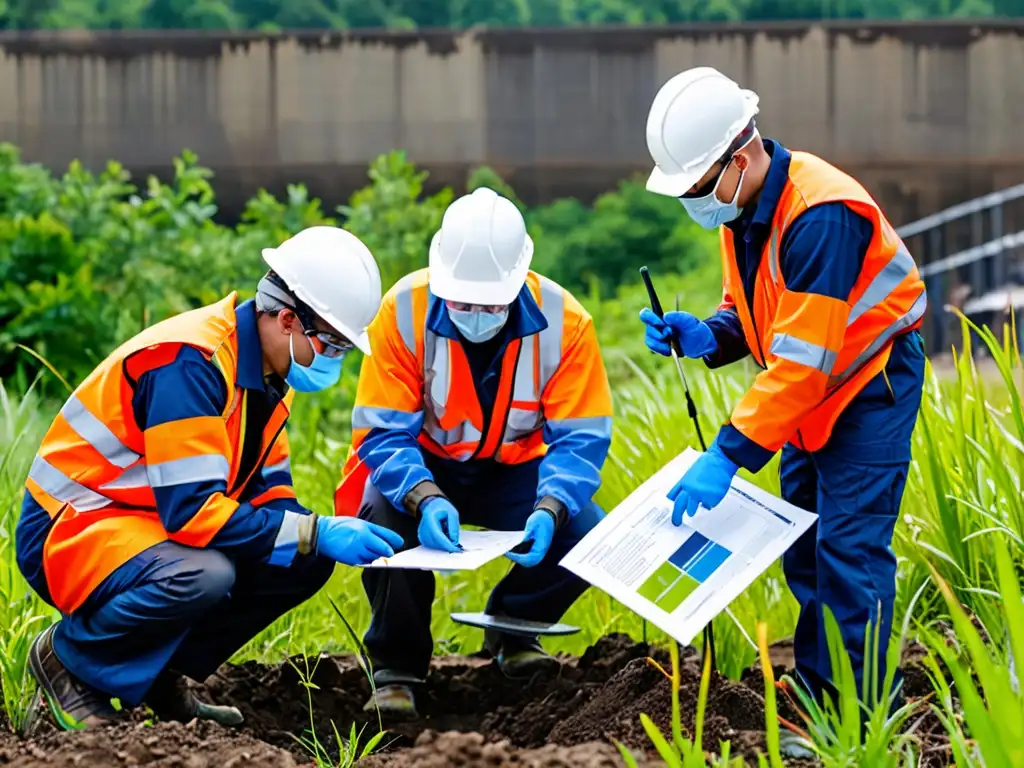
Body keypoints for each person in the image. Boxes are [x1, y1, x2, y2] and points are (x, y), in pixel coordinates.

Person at [16, 226, 404, 731]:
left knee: (305, 562)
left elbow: (271, 497)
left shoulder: (267, 383)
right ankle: (68, 660)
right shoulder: (190, 364)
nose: (333, 361)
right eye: (330, 344)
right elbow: (194, 513)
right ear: (287, 319)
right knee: (205, 574)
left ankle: (158, 672)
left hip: (146, 526)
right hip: (72, 526)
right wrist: (317, 531)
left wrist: (320, 532)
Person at [639, 68, 927, 723]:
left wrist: (727, 454)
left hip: (867, 385)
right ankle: (824, 686)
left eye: (695, 187)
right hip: (808, 397)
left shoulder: (821, 215)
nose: (692, 202)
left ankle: (864, 709)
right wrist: (707, 336)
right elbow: (757, 312)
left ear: (737, 159)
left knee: (849, 550)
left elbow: (802, 364)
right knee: (806, 544)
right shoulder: (742, 208)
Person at [334, 187, 613, 718]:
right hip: (424, 467)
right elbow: (382, 432)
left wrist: (550, 507)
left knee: (588, 534)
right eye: (462, 302)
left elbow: (580, 439)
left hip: (517, 472)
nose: (475, 313)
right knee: (381, 516)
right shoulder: (402, 311)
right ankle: (397, 668)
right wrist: (423, 497)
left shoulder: (566, 322)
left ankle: (514, 629)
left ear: (518, 283)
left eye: (489, 304)